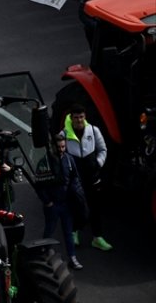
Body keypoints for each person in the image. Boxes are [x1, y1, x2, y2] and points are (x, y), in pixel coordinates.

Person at [62, 105, 112, 252]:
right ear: (71, 118)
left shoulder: (94, 130)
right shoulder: (64, 133)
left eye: (81, 117)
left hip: (92, 175)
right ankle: (74, 233)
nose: (79, 120)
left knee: (95, 206)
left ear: (85, 117)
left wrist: (98, 163)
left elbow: (103, 149)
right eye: (76, 117)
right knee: (76, 205)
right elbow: (58, 154)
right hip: (75, 176)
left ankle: (97, 238)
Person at [37, 133, 86, 270]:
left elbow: (75, 178)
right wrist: (47, 202)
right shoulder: (44, 162)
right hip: (52, 204)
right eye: (58, 147)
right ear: (53, 146)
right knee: (49, 230)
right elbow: (39, 185)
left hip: (66, 204)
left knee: (68, 232)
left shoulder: (69, 160)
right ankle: (43, 255)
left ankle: (72, 257)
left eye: (63, 146)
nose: (61, 149)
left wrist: (76, 195)